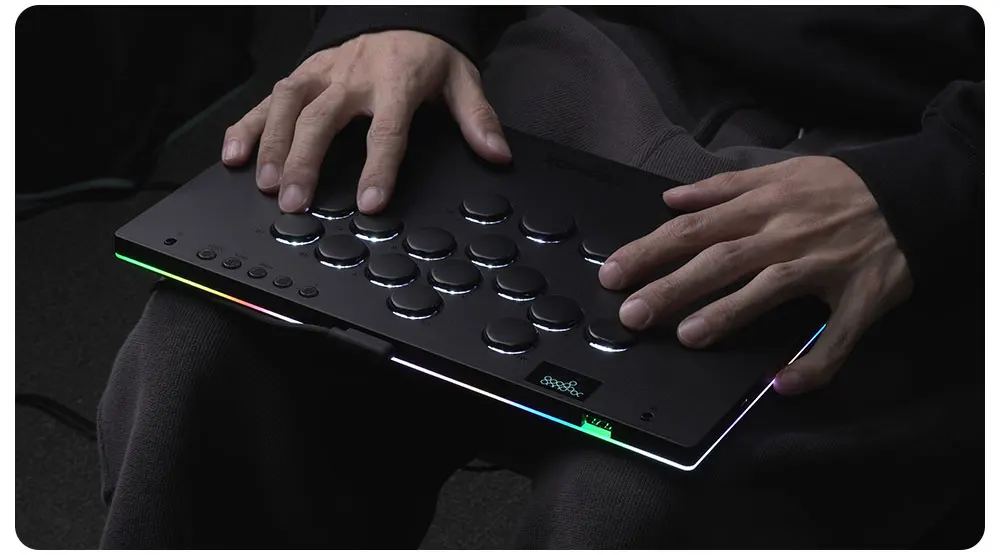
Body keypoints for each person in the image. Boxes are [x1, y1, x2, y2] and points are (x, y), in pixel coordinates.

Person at [98, 6, 983, 548]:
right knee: (202, 355)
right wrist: (399, 15)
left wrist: (936, 188)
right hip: (593, 54)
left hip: (908, 149)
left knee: (625, 509)